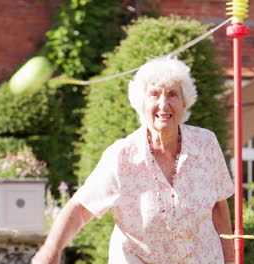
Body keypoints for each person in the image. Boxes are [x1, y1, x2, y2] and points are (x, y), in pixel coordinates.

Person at [32, 57, 235, 264]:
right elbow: (80, 208)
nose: (163, 104)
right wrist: (51, 250)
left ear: (185, 102)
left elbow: (219, 205)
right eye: (154, 94)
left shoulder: (205, 144)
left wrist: (230, 259)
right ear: (141, 103)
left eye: (172, 94)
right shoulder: (122, 155)